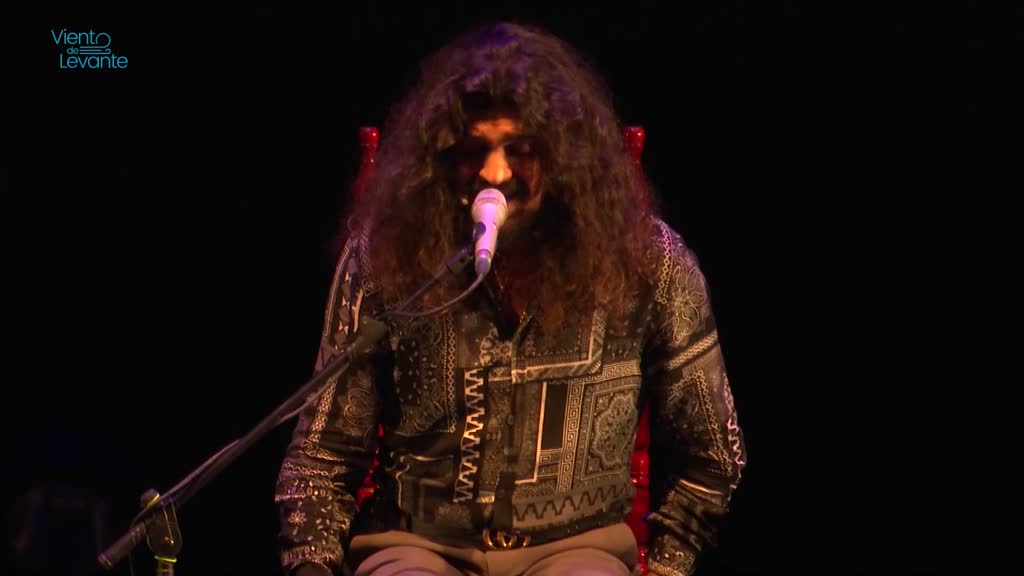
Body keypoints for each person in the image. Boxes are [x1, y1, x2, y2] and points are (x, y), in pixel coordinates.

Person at [275, 21, 746, 576]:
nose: (493, 173)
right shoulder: (385, 256)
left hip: (580, 550)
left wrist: (665, 567)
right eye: (474, 150)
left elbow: (713, 456)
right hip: (415, 546)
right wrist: (312, 565)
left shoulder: (649, 263)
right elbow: (322, 458)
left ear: (565, 158)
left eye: (520, 151)